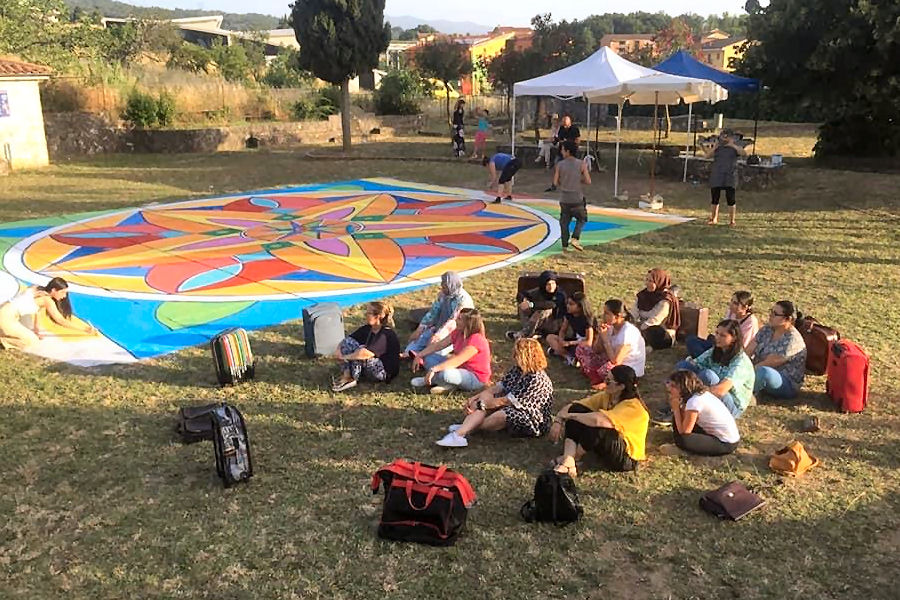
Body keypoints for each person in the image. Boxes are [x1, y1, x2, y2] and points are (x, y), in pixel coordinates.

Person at [436, 338, 553, 447]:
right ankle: (463, 431)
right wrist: (476, 398)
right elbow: (497, 388)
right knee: (486, 398)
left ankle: (465, 428)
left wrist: (481, 404)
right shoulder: (517, 370)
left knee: (500, 414)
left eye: (517, 354)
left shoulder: (536, 379)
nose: (514, 356)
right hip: (512, 404)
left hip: (533, 418)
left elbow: (506, 401)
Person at [549, 365, 649, 475]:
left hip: (626, 458)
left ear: (621, 386)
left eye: (608, 381)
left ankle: (570, 458)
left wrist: (570, 416)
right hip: (608, 445)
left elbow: (599, 421)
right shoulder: (608, 396)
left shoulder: (633, 407)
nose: (604, 383)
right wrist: (559, 420)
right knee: (577, 410)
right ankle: (569, 460)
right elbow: (576, 405)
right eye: (605, 378)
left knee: (599, 426)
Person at [673, 319, 755, 418]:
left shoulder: (740, 361)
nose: (717, 338)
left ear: (734, 338)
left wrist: (694, 393)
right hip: (710, 392)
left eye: (722, 336)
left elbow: (721, 390)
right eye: (716, 333)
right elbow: (694, 363)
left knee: (707, 375)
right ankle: (677, 403)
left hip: (732, 405)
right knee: (683, 366)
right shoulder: (716, 350)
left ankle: (685, 404)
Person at [0, 277, 96, 350]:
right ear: (54, 290)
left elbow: (36, 312)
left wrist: (36, 331)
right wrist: (85, 329)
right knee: (31, 342)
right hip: (7, 317)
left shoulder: (36, 288)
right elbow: (60, 320)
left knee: (30, 336)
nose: (64, 296)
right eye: (62, 292)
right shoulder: (47, 300)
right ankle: (3, 341)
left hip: (5, 311)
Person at [411, 308, 491, 394]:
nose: (456, 320)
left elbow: (457, 360)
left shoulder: (476, 339)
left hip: (475, 377)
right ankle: (448, 385)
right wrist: (419, 355)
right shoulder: (458, 332)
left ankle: (434, 381)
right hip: (459, 368)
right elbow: (439, 345)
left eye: (460, 319)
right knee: (428, 357)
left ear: (468, 323)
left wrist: (434, 369)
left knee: (445, 373)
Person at [665, 370, 740, 456]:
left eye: (674, 386)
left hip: (725, 443)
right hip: (723, 436)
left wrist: (676, 409)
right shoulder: (701, 394)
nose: (670, 389)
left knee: (683, 439)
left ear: (683, 387)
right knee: (679, 419)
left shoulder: (694, 401)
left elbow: (685, 432)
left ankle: (683, 450)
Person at [575, 299, 646, 389]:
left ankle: (603, 380)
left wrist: (605, 340)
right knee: (581, 348)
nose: (603, 316)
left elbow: (616, 361)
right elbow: (596, 350)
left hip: (627, 368)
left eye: (607, 313)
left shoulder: (628, 332)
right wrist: (601, 335)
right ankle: (597, 377)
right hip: (612, 360)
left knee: (607, 368)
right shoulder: (611, 327)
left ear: (618, 316)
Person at [331, 302, 401, 392]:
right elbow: (348, 340)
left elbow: (365, 354)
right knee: (349, 344)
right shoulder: (368, 328)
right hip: (369, 365)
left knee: (360, 353)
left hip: (383, 371)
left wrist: (344, 357)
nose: (366, 315)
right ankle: (347, 375)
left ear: (378, 316)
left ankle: (353, 378)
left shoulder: (386, 334)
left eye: (368, 313)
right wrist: (338, 350)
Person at [746, 300, 807, 400]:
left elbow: (769, 363)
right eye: (771, 311)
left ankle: (747, 394)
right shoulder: (767, 329)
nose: (770, 315)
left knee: (764, 372)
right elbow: (748, 350)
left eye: (775, 314)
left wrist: (745, 372)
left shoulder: (793, 340)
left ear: (788, 319)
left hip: (786, 382)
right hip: (757, 370)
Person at [405, 271, 473, 358]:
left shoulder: (463, 301)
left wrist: (438, 336)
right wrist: (419, 329)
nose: (442, 287)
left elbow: (452, 322)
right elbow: (433, 313)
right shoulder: (443, 295)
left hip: (454, 333)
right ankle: (412, 355)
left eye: (444, 285)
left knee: (435, 351)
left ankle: (422, 357)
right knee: (415, 343)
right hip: (438, 326)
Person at [685, 290, 759, 358]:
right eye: (731, 301)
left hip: (731, 352)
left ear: (745, 307)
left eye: (735, 303)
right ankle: (706, 358)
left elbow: (741, 346)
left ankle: (706, 359)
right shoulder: (731, 312)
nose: (731, 304)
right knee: (691, 340)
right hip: (720, 344)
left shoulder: (750, 322)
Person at [506, 270, 566, 341]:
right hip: (538, 322)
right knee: (523, 305)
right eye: (548, 284)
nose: (551, 287)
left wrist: (532, 304)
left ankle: (523, 335)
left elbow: (552, 304)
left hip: (555, 323)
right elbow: (522, 294)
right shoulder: (539, 291)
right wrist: (523, 301)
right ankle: (535, 334)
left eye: (553, 283)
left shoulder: (560, 294)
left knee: (543, 311)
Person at [553, 140, 591, 252]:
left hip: (564, 198)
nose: (561, 151)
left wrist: (563, 182)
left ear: (568, 151)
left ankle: (564, 245)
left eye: (563, 149)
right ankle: (575, 237)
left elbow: (555, 182)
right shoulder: (581, 164)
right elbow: (588, 181)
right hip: (577, 198)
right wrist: (579, 180)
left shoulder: (560, 165)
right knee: (582, 218)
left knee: (564, 222)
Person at [703, 128, 747, 226]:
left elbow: (744, 154)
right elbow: (707, 156)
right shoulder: (718, 147)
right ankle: (713, 218)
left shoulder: (735, 147)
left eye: (727, 137)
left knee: (730, 198)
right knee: (715, 198)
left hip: (730, 175)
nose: (724, 139)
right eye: (723, 137)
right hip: (717, 175)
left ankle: (732, 220)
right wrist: (715, 147)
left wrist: (732, 145)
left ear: (731, 138)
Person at [631, 268, 681, 350]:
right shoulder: (642, 295)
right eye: (647, 280)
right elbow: (634, 312)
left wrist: (638, 329)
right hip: (643, 327)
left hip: (660, 331)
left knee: (654, 333)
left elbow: (656, 320)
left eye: (651, 281)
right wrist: (629, 324)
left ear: (659, 282)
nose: (647, 283)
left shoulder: (665, 299)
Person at [545, 291, 594, 367]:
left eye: (571, 304)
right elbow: (563, 330)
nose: (568, 306)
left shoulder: (587, 319)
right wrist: (561, 340)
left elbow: (589, 342)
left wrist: (569, 343)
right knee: (550, 337)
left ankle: (557, 352)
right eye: (568, 303)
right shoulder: (569, 315)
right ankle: (568, 357)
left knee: (581, 349)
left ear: (580, 306)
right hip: (573, 341)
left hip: (583, 345)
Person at [546, 114, 580, 191]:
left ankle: (571, 184)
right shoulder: (561, 128)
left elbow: (577, 141)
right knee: (557, 166)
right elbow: (559, 138)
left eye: (565, 124)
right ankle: (554, 185)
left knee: (572, 169)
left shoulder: (574, 129)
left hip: (571, 152)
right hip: (561, 151)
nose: (564, 126)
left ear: (569, 122)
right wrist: (554, 140)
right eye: (563, 123)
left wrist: (568, 142)